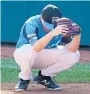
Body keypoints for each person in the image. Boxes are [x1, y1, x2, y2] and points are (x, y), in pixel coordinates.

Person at [13, 4, 81, 91]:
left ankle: (44, 76)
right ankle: (24, 78)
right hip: (25, 55)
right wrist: (52, 33)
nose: (50, 28)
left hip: (45, 55)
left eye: (52, 25)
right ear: (41, 17)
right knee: (28, 49)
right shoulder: (32, 23)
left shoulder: (62, 24)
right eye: (47, 24)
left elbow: (73, 49)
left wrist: (77, 35)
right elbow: (36, 48)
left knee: (74, 54)